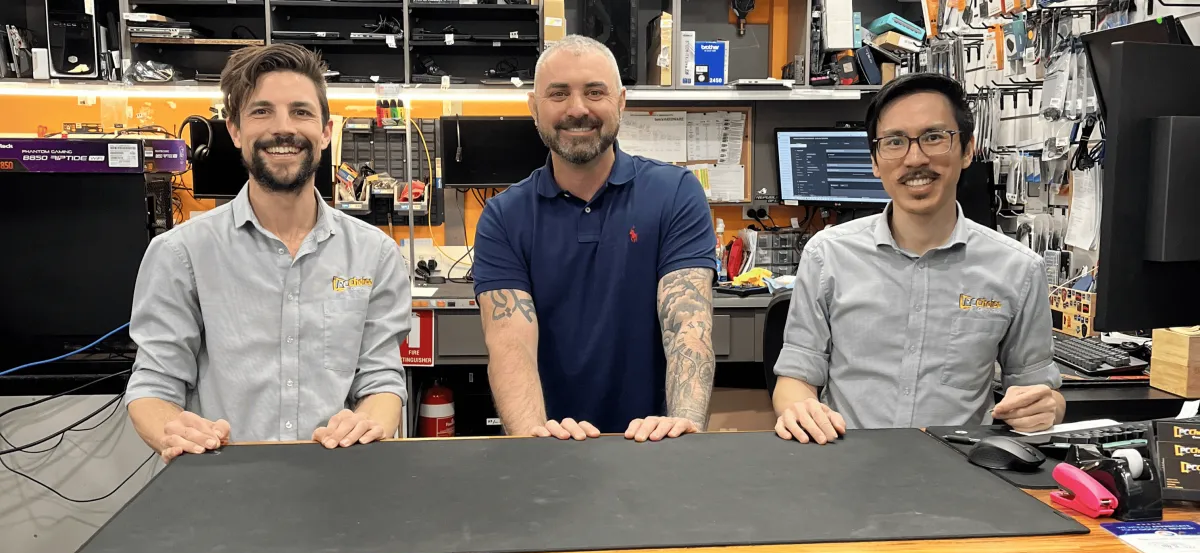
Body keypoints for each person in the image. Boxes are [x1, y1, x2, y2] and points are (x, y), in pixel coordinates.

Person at [124, 44, 411, 462]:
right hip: (222, 481)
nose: (283, 128)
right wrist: (175, 430)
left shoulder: (375, 255)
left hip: (336, 479)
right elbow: (153, 385)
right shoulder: (180, 253)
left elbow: (381, 379)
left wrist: (369, 422)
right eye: (261, 111)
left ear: (326, 131)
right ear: (235, 130)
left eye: (301, 111)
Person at [773, 73, 1064, 445]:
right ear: (875, 161)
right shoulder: (827, 255)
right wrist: (799, 407)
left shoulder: (1019, 269)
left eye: (934, 137)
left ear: (967, 150)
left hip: (959, 464)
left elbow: (1038, 389)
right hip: (847, 460)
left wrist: (1048, 407)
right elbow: (795, 378)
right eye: (894, 141)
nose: (915, 159)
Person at [472, 35, 718, 442]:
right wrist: (533, 440)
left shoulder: (676, 193)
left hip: (653, 443)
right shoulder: (503, 217)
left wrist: (683, 428)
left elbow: (688, 329)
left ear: (620, 102)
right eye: (558, 94)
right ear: (534, 108)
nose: (577, 109)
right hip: (550, 443)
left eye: (594, 92)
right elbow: (510, 347)